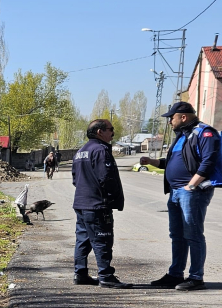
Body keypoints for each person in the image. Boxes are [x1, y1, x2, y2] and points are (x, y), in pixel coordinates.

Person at [140, 101, 222, 291]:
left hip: (193, 192)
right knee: (177, 235)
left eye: (172, 117)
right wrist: (151, 161)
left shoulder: (204, 133)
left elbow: (208, 161)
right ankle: (175, 274)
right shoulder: (181, 136)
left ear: (183, 117)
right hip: (176, 192)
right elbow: (173, 162)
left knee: (193, 234)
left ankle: (196, 277)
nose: (169, 121)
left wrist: (191, 185)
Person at [72, 118, 131, 287]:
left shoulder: (81, 151)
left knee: (83, 240)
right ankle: (106, 276)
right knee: (102, 240)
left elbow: (75, 179)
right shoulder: (100, 150)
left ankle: (80, 274)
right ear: (100, 132)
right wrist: (112, 197)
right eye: (110, 129)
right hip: (97, 205)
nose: (113, 133)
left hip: (81, 203)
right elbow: (106, 177)